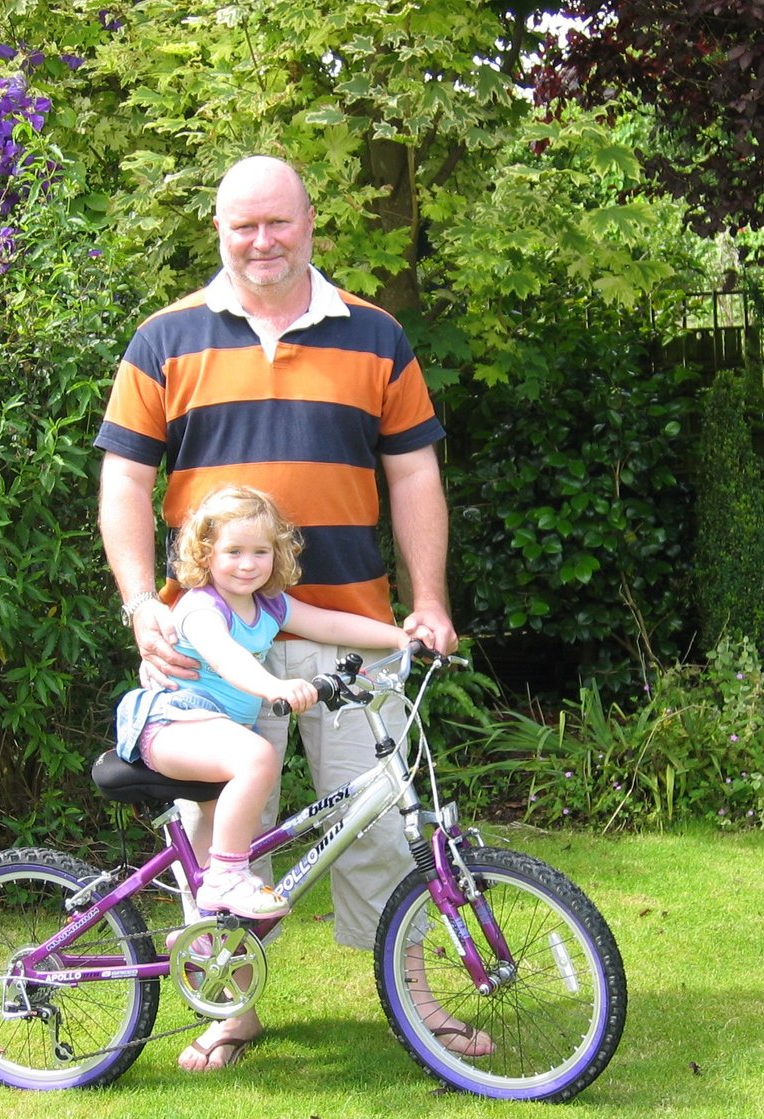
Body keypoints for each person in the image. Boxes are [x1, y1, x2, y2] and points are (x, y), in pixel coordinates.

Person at [96, 154, 482, 1070]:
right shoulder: (163, 338)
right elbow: (124, 482)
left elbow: (414, 474)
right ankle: (227, 1006)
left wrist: (428, 601)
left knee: (379, 831)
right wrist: (141, 604)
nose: (261, 241)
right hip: (209, 648)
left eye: (278, 222)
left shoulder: (376, 335)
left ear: (310, 223)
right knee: (215, 836)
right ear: (219, 231)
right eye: (244, 225)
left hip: (348, 630)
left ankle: (418, 999)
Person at [112, 484, 410, 920]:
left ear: (277, 554)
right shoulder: (201, 608)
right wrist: (275, 687)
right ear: (206, 554)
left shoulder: (268, 605)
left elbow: (327, 624)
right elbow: (226, 658)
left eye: (260, 552)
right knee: (257, 757)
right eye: (233, 552)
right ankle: (226, 878)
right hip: (170, 725)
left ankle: (207, 932)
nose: (248, 564)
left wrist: (398, 637)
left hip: (213, 732)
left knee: (228, 826)